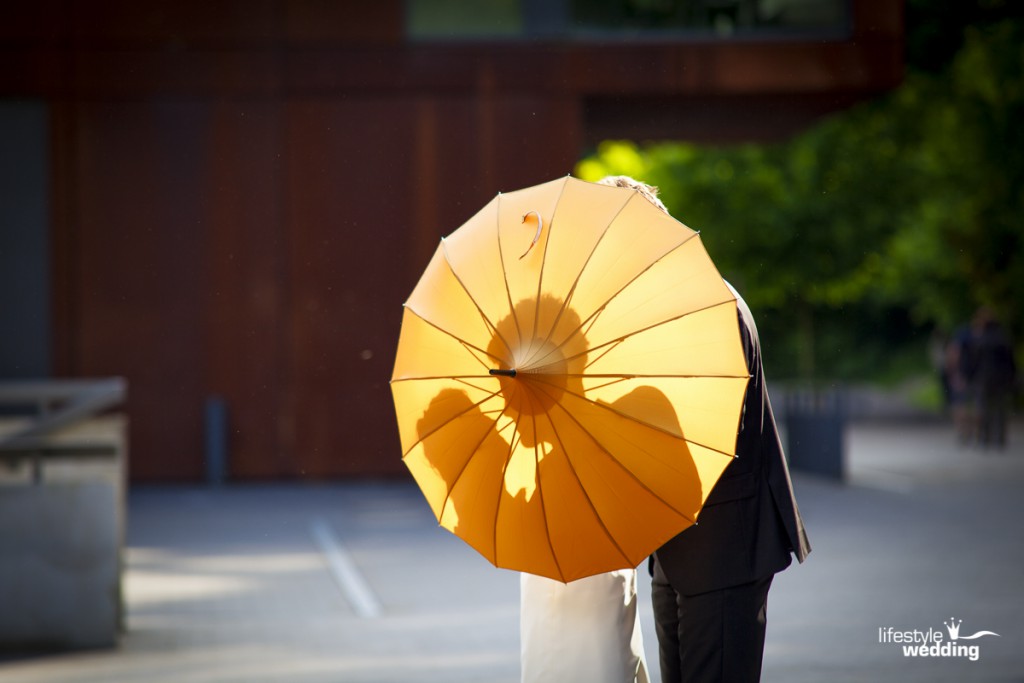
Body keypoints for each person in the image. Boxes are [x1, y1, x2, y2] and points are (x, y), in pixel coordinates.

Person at [599, 176, 811, 683]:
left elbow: (705, 426)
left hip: (723, 548)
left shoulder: (707, 301)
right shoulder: (665, 301)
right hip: (680, 548)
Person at [966, 307, 1016, 449]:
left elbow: (973, 362)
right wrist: (1012, 377)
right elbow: (1010, 360)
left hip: (983, 379)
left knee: (983, 408)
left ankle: (984, 437)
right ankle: (1000, 438)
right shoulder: (1003, 337)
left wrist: (969, 377)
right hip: (1001, 378)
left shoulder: (979, 339)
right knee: (1000, 408)